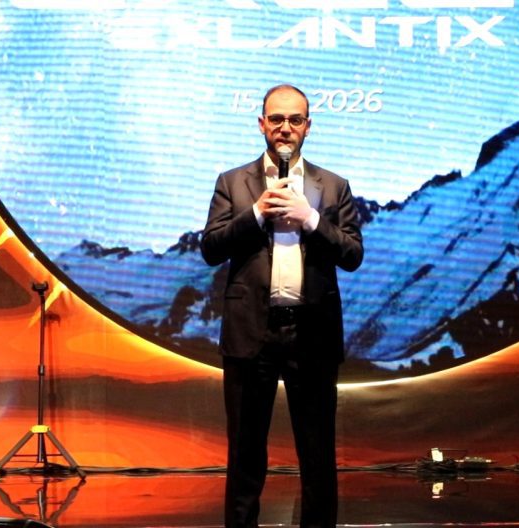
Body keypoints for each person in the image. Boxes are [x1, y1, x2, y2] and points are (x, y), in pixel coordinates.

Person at [200, 84, 364, 528]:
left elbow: (352, 254)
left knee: (317, 455)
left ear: (308, 126)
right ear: (261, 124)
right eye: (276, 119)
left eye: (294, 120)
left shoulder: (334, 186)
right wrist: (256, 214)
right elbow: (211, 248)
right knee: (245, 454)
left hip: (312, 334)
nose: (285, 128)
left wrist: (310, 219)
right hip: (251, 333)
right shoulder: (233, 183)